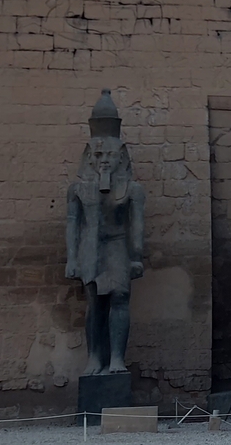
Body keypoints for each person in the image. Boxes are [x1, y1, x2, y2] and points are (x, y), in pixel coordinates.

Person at [66, 90, 146, 375]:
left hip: (118, 245)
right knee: (95, 303)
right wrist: (71, 258)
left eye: (110, 155)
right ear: (88, 156)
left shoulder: (133, 190)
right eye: (98, 154)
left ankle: (116, 359)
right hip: (90, 246)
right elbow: (73, 223)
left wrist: (137, 257)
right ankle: (94, 358)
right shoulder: (78, 189)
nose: (104, 161)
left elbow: (137, 227)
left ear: (121, 156)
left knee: (120, 298)